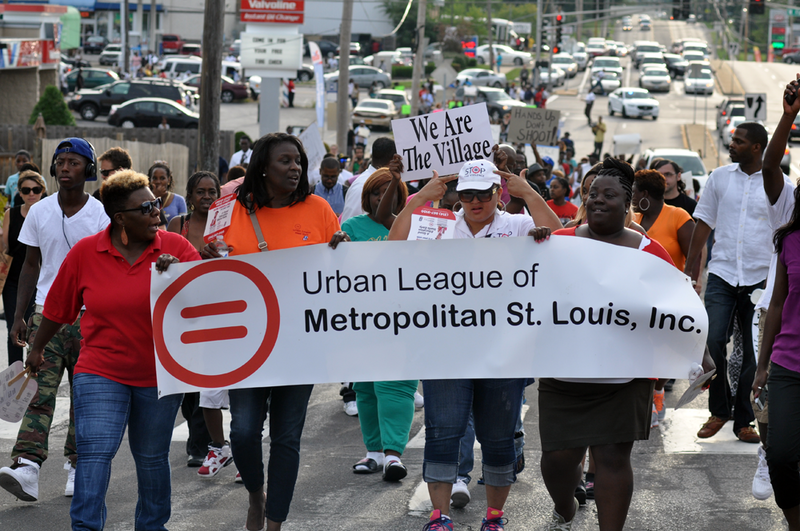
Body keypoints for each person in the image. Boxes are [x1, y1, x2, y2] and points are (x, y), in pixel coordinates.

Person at [388, 154, 561, 531]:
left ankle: (495, 517)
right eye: (466, 195)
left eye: (483, 193)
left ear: (498, 193)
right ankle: (439, 515)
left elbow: (559, 236)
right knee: (443, 431)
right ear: (457, 196)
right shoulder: (439, 224)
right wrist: (418, 199)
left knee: (499, 437)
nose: (475, 202)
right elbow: (394, 246)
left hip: (504, 352)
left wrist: (530, 193)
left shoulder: (517, 224)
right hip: (445, 350)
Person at [540, 158, 714, 531]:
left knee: (612, 458)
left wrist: (703, 351)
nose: (598, 200)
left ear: (629, 202)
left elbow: (679, 307)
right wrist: (531, 247)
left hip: (623, 379)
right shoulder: (557, 243)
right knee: (557, 458)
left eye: (609, 194)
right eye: (592, 194)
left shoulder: (648, 252)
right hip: (565, 375)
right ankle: (565, 505)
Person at [24, 170, 197, 529]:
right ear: (120, 218)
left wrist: (182, 276)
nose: (157, 213)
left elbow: (208, 302)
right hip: (101, 370)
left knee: (151, 458)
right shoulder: (87, 253)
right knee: (95, 455)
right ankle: (86, 527)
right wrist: (37, 349)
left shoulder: (177, 249)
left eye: (157, 204)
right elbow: (56, 309)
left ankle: (152, 526)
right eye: (146, 207)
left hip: (159, 375)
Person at [200, 133, 349, 531]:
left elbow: (337, 276)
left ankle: (274, 522)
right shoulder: (228, 211)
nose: (295, 167)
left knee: (286, 439)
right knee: (244, 430)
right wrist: (200, 259)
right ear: (263, 167)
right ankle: (255, 494)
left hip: (300, 346)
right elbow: (210, 274)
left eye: (298, 160)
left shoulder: (319, 210)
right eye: (285, 160)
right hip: (248, 345)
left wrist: (342, 250)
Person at [0, 138, 109, 503]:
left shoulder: (101, 216)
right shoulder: (40, 212)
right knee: (39, 393)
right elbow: (30, 265)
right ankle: (27, 467)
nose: (65, 168)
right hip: (46, 315)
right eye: (60, 161)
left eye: (73, 162)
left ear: (88, 171)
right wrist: (18, 315)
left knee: (85, 396)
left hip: (89, 317)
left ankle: (77, 466)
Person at [684, 122, 777, 444]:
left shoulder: (778, 184)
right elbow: (704, 222)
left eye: (738, 141)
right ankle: (719, 410)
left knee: (754, 353)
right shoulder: (719, 178)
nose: (731, 144)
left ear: (756, 147)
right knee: (711, 343)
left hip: (760, 279)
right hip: (723, 273)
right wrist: (690, 269)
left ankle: (743, 419)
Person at [342, 169, 415, 479]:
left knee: (396, 387)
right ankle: (372, 452)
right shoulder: (351, 227)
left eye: (390, 192)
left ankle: (393, 455)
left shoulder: (414, 226)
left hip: (405, 320)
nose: (382, 198)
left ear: (401, 197)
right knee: (367, 388)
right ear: (366, 197)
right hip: (363, 323)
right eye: (376, 192)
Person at [752, 75, 800, 528]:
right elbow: (770, 167)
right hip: (781, 337)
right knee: (779, 441)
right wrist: (788, 116)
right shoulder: (789, 219)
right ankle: (771, 452)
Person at [631, 168, 696, 424]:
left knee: (663, 351)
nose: (632, 196)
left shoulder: (678, 215)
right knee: (641, 351)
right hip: (636, 296)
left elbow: (693, 255)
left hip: (668, 296)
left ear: (645, 193)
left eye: (634, 191)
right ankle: (644, 398)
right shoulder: (632, 218)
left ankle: (658, 393)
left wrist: (692, 283)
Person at [2, 170, 45, 365]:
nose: (31, 194)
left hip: (39, 281)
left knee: (35, 330)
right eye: (26, 190)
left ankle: (33, 377)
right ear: (19, 192)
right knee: (14, 328)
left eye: (36, 189)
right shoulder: (11, 214)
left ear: (42, 190)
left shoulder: (48, 214)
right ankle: (15, 380)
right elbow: (6, 249)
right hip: (13, 281)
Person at [341, 137, 396, 223]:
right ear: (393, 160)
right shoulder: (362, 187)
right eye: (376, 193)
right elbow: (348, 227)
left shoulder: (389, 182)